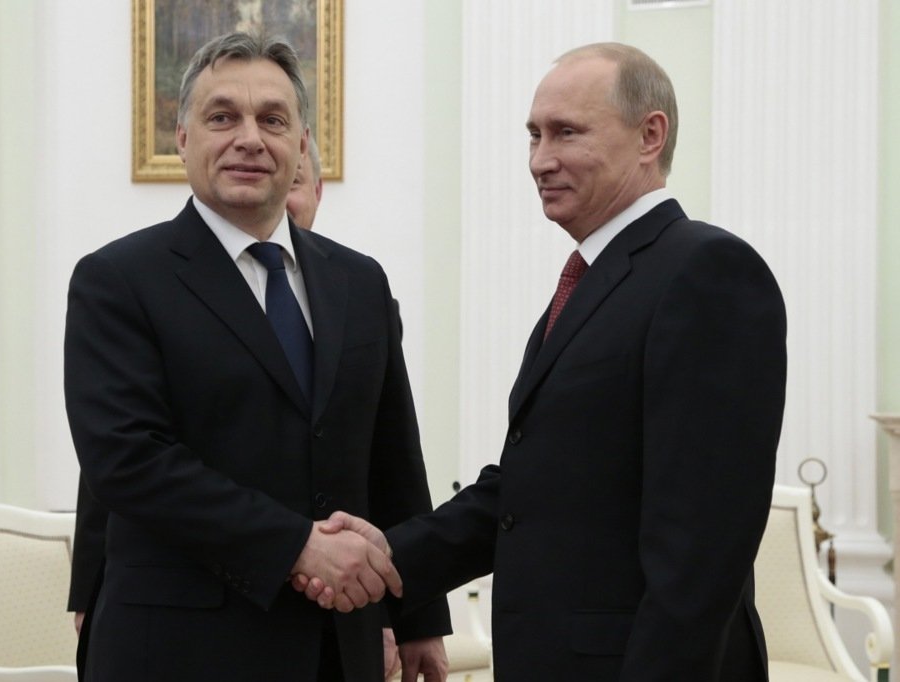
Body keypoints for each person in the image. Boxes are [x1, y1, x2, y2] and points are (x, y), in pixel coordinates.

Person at [299, 42, 787, 681]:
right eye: (533, 135)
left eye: (566, 133)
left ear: (650, 135)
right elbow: (532, 491)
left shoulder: (707, 272)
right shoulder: (593, 282)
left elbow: (702, 548)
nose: (539, 160)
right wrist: (388, 557)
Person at [63, 30, 449, 681]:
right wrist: (297, 547)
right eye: (223, 117)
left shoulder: (360, 283)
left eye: (273, 119)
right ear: (182, 138)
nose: (249, 137)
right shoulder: (119, 279)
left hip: (337, 648)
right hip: (180, 648)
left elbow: (392, 457)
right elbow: (128, 460)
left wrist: (418, 618)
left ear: (300, 146)